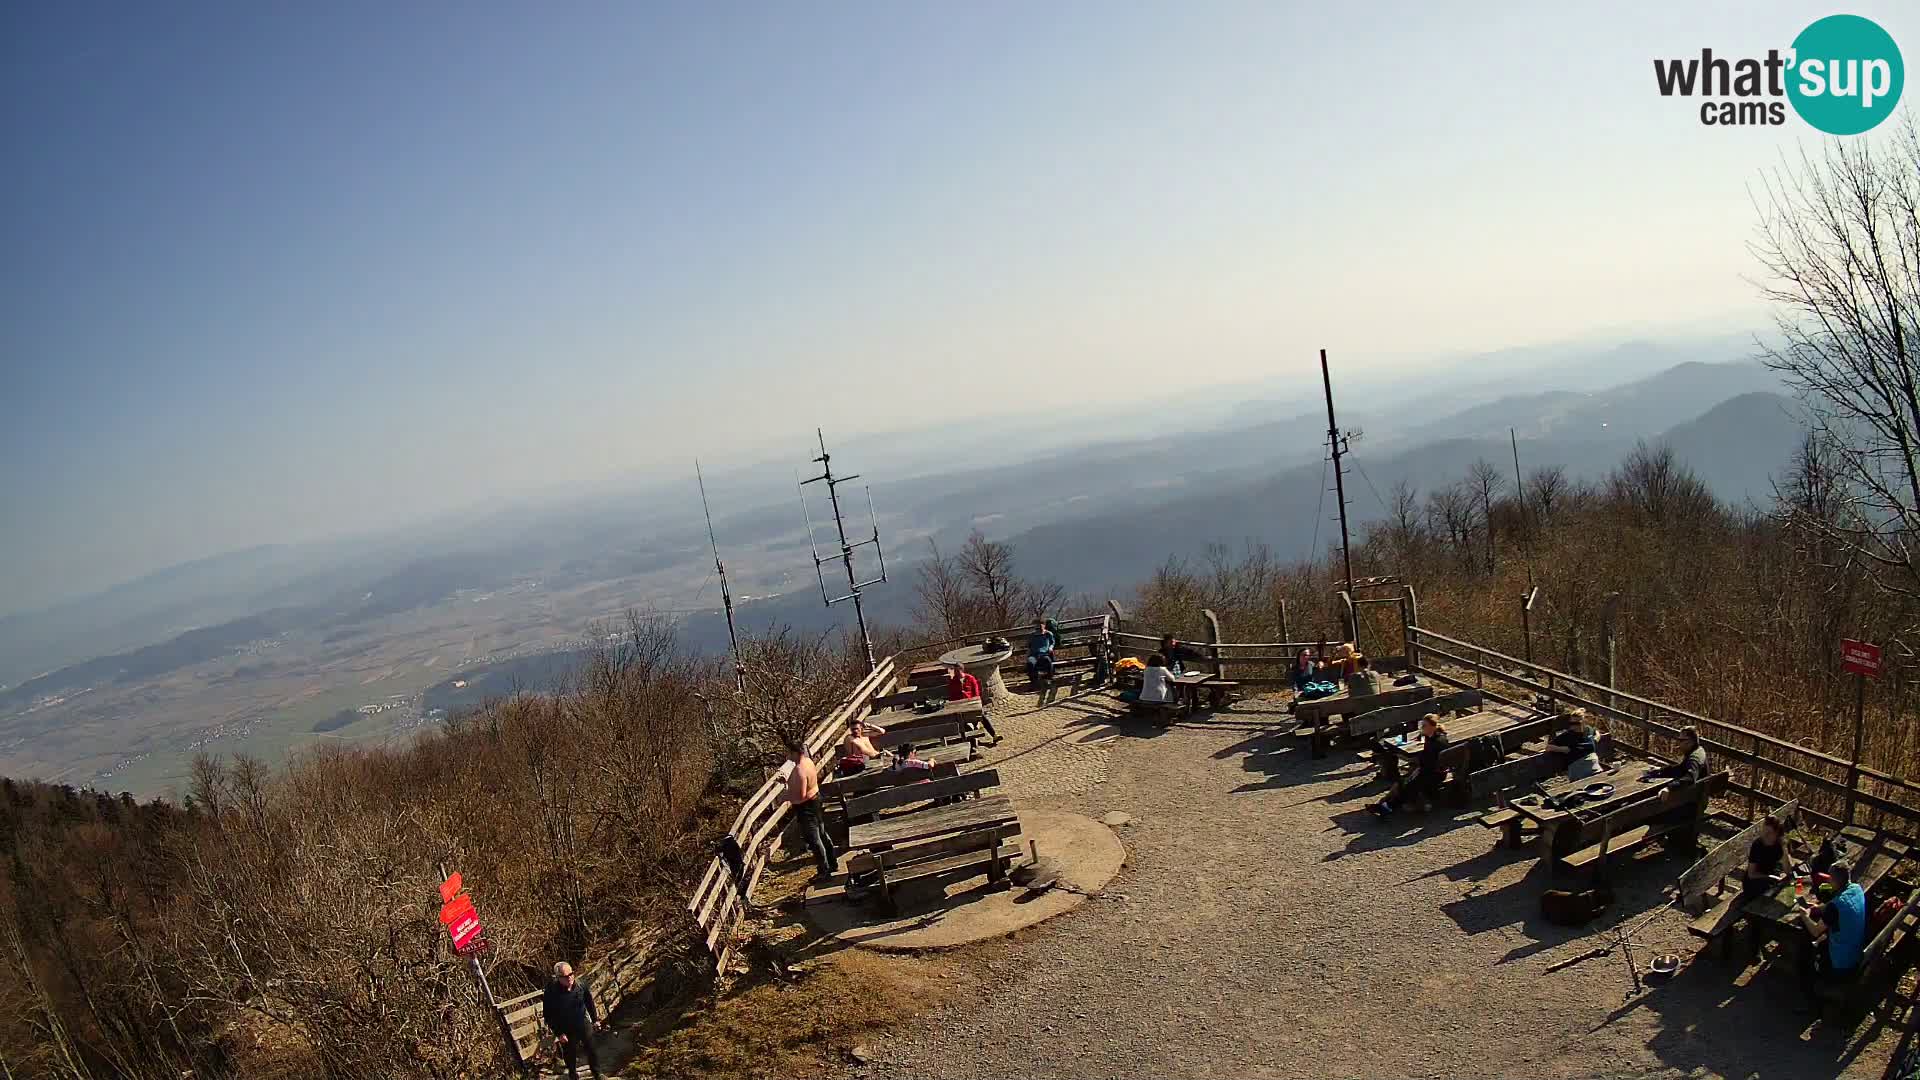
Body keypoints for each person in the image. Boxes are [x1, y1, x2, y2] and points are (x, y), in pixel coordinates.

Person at [1800, 861, 1868, 1005]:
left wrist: (1804, 915)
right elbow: (1837, 905)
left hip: (1841, 963)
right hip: (1855, 950)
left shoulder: (1835, 907)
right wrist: (1820, 908)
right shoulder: (1856, 889)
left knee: (1804, 955)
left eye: (1830, 878)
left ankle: (1810, 1000)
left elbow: (1815, 931)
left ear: (1834, 880)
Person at [1371, 714, 1449, 817]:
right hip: (1436, 771)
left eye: (1424, 726)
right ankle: (1385, 805)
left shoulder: (1435, 743)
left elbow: (1427, 763)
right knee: (1403, 783)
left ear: (1433, 727)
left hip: (1432, 774)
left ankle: (1387, 806)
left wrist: (1415, 763)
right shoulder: (1437, 738)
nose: (1422, 728)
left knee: (1406, 785)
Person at [784, 736, 837, 880]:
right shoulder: (808, 761)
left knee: (814, 839)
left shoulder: (799, 770)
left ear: (794, 753)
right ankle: (832, 862)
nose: (787, 755)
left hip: (806, 807)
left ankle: (824, 870)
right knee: (822, 832)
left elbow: (800, 795)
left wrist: (786, 795)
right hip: (816, 799)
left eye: (788, 752)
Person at [542, 961, 606, 1080]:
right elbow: (548, 1014)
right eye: (566, 976)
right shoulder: (551, 992)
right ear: (558, 977)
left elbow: (589, 1002)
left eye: (571, 974)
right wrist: (558, 1033)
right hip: (565, 1027)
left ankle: (597, 1073)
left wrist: (595, 1019)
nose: (570, 978)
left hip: (582, 1021)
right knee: (570, 1053)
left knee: (591, 1047)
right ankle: (572, 1074)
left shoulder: (581, 985)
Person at [1741, 813, 1795, 895]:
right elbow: (1751, 874)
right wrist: (1770, 877)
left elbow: (1788, 871)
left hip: (1771, 878)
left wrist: (1784, 850)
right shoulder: (1757, 845)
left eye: (1769, 832)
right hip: (1754, 882)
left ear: (1776, 833)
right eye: (1764, 831)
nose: (1765, 835)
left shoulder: (1779, 845)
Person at [1653, 726, 1709, 798]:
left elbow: (1690, 778)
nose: (1679, 743)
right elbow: (1681, 768)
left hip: (1694, 800)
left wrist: (1669, 788)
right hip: (1694, 794)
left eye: (1681, 740)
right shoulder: (1697, 750)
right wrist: (1661, 770)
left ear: (1690, 741)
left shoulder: (1695, 758)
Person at [1546, 710, 1603, 780]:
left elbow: (1596, 732)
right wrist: (1564, 749)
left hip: (1595, 769)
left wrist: (1596, 738)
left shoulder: (1588, 730)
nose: (1573, 725)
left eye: (1577, 723)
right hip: (1578, 771)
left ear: (1583, 722)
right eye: (1571, 723)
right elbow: (1549, 747)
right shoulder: (1567, 736)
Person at [1025, 619, 1057, 684]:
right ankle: (1034, 681)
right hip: (1033, 655)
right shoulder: (1031, 636)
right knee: (1030, 663)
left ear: (1044, 626)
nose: (1039, 627)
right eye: (1037, 626)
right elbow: (1028, 646)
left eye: (1041, 625)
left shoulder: (1048, 634)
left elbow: (1052, 643)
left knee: (1047, 661)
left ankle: (1049, 678)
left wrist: (1050, 648)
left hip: (1044, 654)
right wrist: (1027, 655)